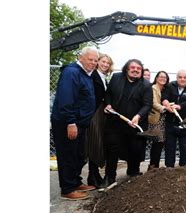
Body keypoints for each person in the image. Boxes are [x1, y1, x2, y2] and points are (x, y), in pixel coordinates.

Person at [51, 46, 99, 200]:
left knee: (78, 154)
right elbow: (66, 99)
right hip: (69, 123)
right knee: (67, 155)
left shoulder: (86, 74)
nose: (93, 63)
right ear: (81, 58)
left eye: (95, 60)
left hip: (80, 123)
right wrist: (70, 122)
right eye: (90, 59)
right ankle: (67, 189)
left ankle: (75, 182)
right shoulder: (72, 72)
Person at [103, 59, 152, 188]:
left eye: (139, 68)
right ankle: (109, 177)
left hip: (134, 123)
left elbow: (147, 105)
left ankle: (133, 172)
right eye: (133, 67)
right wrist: (108, 104)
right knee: (112, 150)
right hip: (115, 122)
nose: (135, 70)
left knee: (134, 149)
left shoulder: (146, 85)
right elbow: (108, 94)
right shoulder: (116, 77)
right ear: (126, 69)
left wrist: (138, 116)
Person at [85, 53, 114, 188]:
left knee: (98, 143)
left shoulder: (104, 78)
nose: (105, 64)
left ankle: (94, 174)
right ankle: (93, 175)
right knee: (94, 143)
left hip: (101, 113)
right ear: (98, 62)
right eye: (103, 61)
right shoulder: (92, 76)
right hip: (94, 113)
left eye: (108, 63)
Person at [162, 69, 186, 167]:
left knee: (185, 145)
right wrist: (165, 102)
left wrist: (179, 106)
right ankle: (169, 167)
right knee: (170, 145)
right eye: (180, 77)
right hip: (171, 121)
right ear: (177, 78)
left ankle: (184, 167)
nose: (182, 79)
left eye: (185, 77)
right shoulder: (170, 86)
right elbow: (164, 96)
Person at [147, 71, 170, 170]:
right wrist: (165, 108)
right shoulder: (153, 88)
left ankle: (154, 165)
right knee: (157, 143)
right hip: (156, 119)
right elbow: (153, 103)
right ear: (156, 78)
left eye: (165, 77)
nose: (163, 79)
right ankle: (153, 166)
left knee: (160, 143)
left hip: (163, 119)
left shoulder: (165, 89)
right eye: (160, 77)